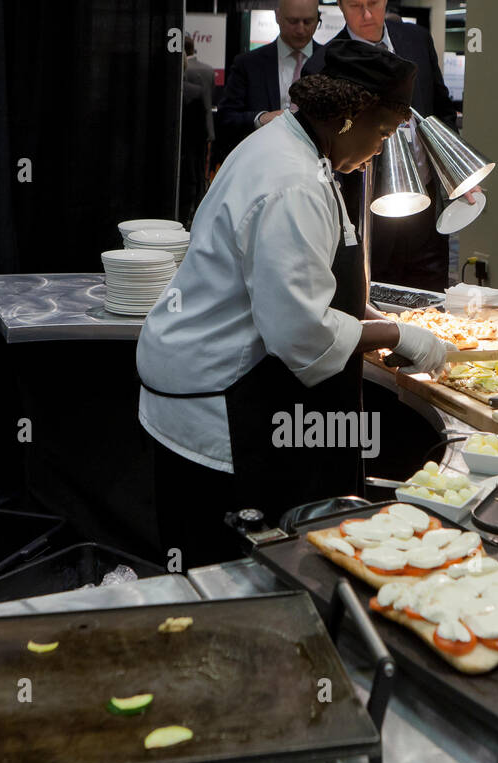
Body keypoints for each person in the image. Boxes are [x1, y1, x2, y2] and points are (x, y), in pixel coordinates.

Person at [136, 40, 448, 568]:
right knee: (230, 580)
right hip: (219, 405)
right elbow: (299, 329)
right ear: (352, 117)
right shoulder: (294, 182)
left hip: (225, 388)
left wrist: (373, 319)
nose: (381, 149)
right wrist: (398, 335)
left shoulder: (295, 145)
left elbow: (310, 286)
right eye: (384, 133)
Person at [306, 0, 461, 292]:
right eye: (355, 5)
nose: (366, 14)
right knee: (373, 297)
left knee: (430, 299)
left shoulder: (416, 39)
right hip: (365, 211)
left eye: (373, 3)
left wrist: (454, 173)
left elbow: (441, 110)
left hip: (424, 207)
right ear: (339, 6)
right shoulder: (323, 65)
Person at [216, 0, 319, 150]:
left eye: (308, 21)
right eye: (293, 21)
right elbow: (225, 118)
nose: (300, 29)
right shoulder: (248, 64)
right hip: (261, 161)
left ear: (317, 19)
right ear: (277, 16)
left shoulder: (330, 63)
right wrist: (261, 119)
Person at [180, 36, 216, 227]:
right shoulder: (208, 71)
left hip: (187, 132)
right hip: (202, 130)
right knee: (201, 172)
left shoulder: (189, 71)